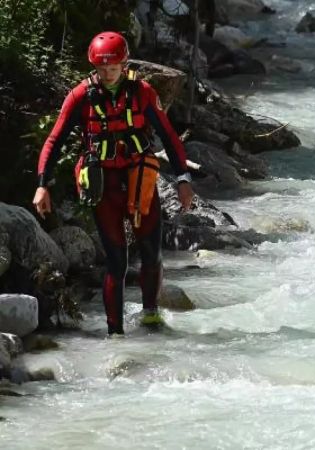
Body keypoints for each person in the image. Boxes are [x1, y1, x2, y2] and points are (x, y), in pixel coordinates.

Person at [32, 31, 194, 335]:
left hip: (138, 179)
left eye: (113, 68)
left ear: (124, 64)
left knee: (151, 253)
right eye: (102, 69)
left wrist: (183, 179)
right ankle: (115, 332)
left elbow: (170, 137)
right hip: (103, 185)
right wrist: (43, 183)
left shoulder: (143, 92)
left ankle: (150, 314)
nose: (107, 75)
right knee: (117, 261)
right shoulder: (80, 96)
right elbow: (55, 139)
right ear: (94, 67)